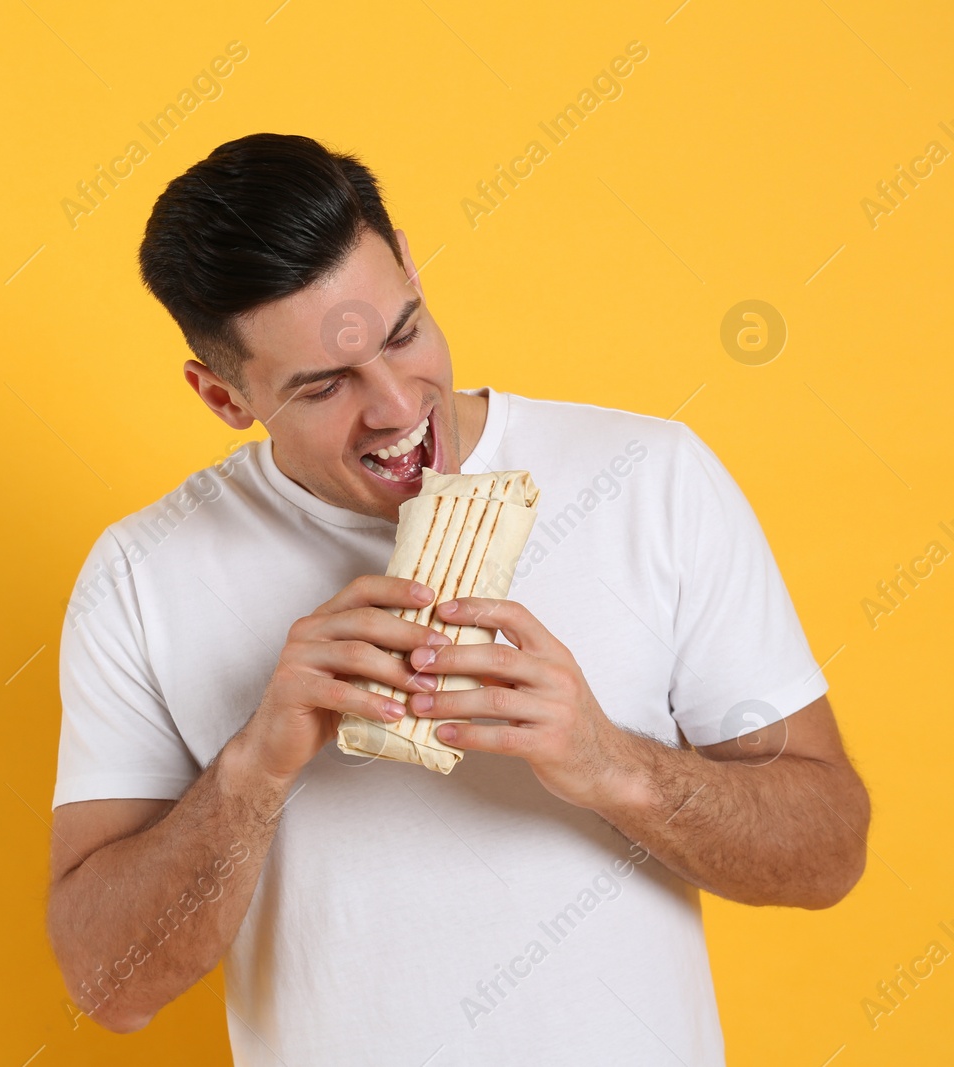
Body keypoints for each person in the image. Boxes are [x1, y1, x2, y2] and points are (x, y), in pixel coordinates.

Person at [45, 132, 868, 1066]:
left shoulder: (650, 477)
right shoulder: (142, 575)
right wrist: (254, 768)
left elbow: (828, 852)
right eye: (323, 385)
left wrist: (610, 763)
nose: (398, 406)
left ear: (412, 270)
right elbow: (106, 983)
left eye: (403, 332)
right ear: (224, 398)